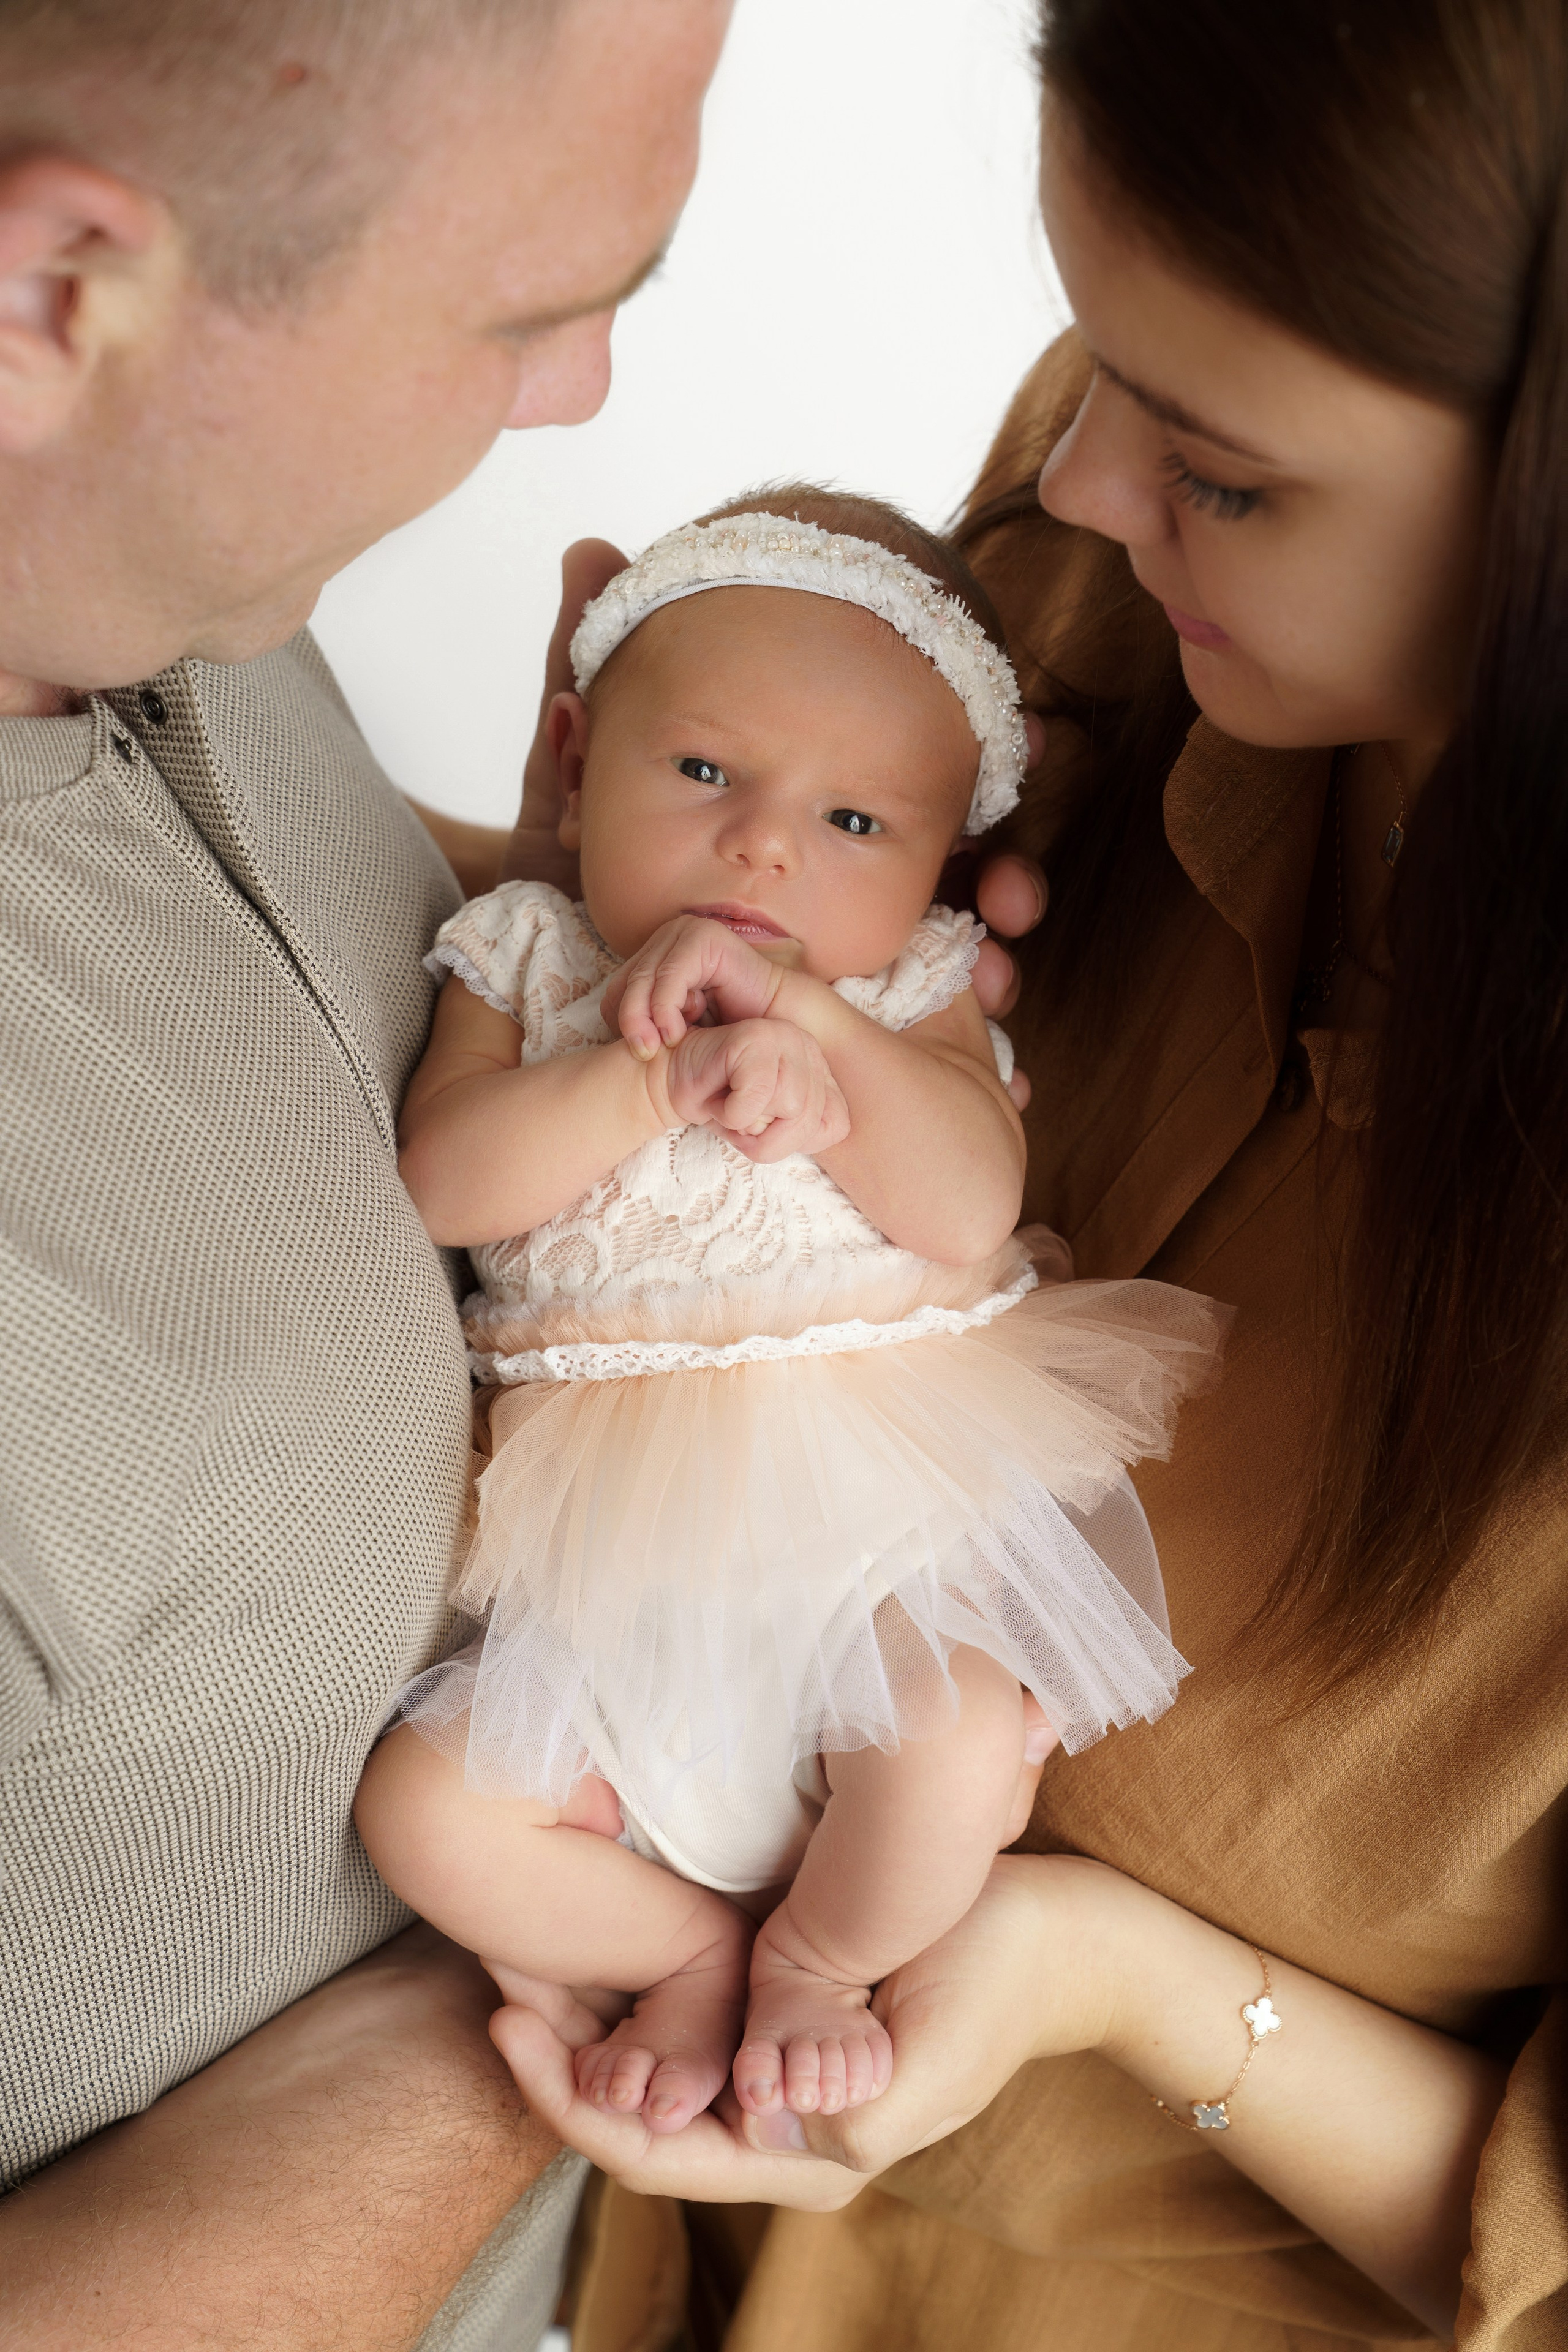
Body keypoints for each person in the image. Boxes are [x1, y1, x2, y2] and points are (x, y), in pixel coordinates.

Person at [486, 4, 1568, 2348]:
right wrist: (603, 850)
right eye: (1093, 359)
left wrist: (1128, 1984)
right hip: (639, 2254)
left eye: (1222, 470)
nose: (1073, 486)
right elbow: (685, 981)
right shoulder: (1133, 596)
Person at [0, 4, 743, 2345]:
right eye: (529, 311)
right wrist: (614, 1967)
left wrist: (668, 928)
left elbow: (207, 997)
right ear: (47, 294)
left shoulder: (114, 562)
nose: (578, 395)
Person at [353, 491, 1216, 2138]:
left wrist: (828, 1051)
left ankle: (818, 1960)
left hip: (878, 1550)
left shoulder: (913, 993)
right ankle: (679, 1948)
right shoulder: (525, 952)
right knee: (428, 1816)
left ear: (949, 862)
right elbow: (447, 1183)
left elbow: (966, 1205)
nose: (764, 848)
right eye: (701, 774)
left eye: (856, 826)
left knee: (963, 1735)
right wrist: (644, 1078)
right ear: (571, 749)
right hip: (605, 1595)